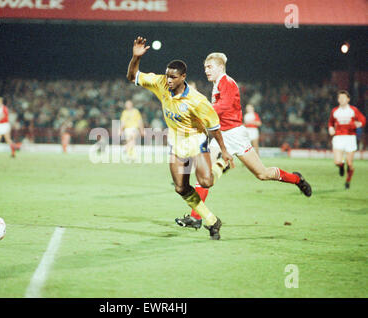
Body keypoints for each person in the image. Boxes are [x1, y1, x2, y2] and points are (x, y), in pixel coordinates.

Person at [175, 52, 312, 229]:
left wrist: (202, 110)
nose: (206, 70)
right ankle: (196, 218)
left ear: (220, 67)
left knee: (262, 174)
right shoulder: (217, 84)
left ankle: (296, 179)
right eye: (205, 68)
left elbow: (223, 107)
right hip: (221, 136)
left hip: (235, 135)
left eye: (210, 67)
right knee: (204, 174)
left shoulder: (227, 82)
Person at [127, 36, 233, 240]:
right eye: (167, 76)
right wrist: (135, 57)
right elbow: (133, 76)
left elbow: (215, 127)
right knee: (180, 187)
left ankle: (220, 165)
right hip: (177, 142)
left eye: (173, 77)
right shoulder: (160, 83)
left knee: (206, 181)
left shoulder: (197, 100)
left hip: (195, 140)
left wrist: (225, 151)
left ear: (183, 77)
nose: (168, 80)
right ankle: (212, 221)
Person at [328, 90, 366, 189]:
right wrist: (331, 129)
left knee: (350, 163)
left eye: (343, 98)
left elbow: (363, 119)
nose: (341, 100)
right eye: (340, 98)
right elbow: (330, 123)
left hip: (350, 138)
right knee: (337, 162)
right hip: (338, 137)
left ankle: (348, 181)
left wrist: (360, 124)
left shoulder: (353, 110)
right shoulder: (335, 111)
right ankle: (341, 166)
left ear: (348, 99)